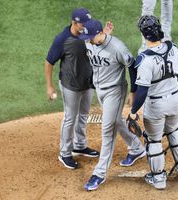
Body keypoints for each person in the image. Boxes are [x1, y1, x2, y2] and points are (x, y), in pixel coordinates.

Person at [78, 19, 146, 191]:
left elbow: (132, 66)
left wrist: (133, 91)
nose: (87, 40)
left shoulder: (118, 48)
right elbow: (99, 44)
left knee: (107, 129)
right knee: (116, 121)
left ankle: (99, 173)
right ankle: (137, 148)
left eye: (89, 36)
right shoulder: (91, 42)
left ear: (98, 33)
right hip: (100, 90)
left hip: (115, 92)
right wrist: (104, 36)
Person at [45, 8, 113, 170]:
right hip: (70, 86)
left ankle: (80, 145)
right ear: (74, 22)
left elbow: (97, 42)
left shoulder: (87, 35)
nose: (86, 26)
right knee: (70, 118)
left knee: (83, 115)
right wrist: (49, 86)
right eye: (83, 23)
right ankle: (64, 153)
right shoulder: (62, 39)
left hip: (87, 83)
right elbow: (49, 62)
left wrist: (104, 33)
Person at [129, 15, 178, 190]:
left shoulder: (145, 59)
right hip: (175, 98)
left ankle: (158, 179)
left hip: (156, 105)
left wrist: (134, 111)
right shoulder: (174, 49)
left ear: (143, 34)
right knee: (173, 130)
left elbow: (142, 91)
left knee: (154, 140)